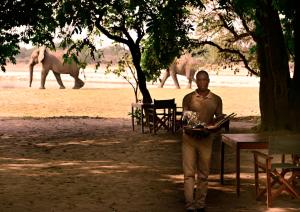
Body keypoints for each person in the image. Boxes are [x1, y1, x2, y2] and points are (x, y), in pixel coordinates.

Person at [182, 70, 223, 212]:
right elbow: (185, 119)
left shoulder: (216, 99)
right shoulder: (188, 98)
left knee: (204, 174)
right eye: (199, 80)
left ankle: (200, 203)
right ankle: (189, 204)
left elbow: (218, 120)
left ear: (208, 81)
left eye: (204, 79)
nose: (202, 82)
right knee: (188, 173)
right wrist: (189, 126)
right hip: (189, 139)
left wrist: (214, 126)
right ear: (196, 82)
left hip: (206, 139)